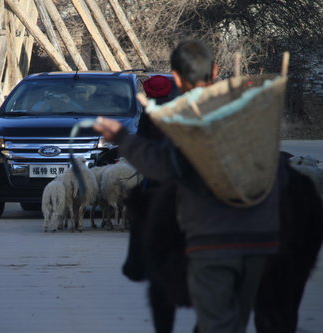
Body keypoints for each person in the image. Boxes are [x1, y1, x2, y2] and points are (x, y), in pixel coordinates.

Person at [94, 40, 286, 333]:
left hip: (215, 243)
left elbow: (162, 163)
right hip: (262, 241)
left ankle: (137, 261)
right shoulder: (243, 106)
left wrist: (121, 137)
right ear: (216, 70)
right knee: (238, 319)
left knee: (144, 197)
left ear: (178, 78)